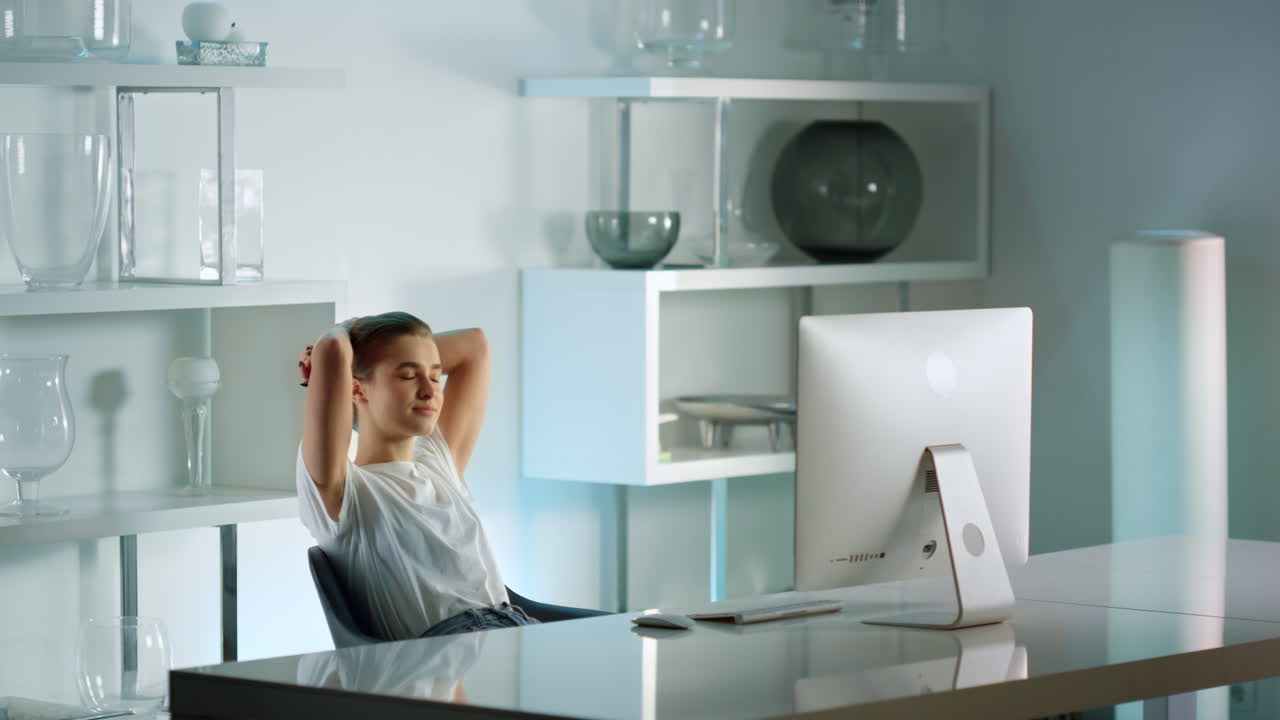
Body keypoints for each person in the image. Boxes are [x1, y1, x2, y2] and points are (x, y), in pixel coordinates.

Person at [295, 311, 536, 640]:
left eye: (435, 377)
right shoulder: (343, 494)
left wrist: (377, 358)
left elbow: (475, 344)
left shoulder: (438, 466)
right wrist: (343, 340)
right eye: (408, 376)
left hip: (517, 629)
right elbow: (333, 351)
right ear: (358, 390)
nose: (429, 391)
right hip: (448, 653)